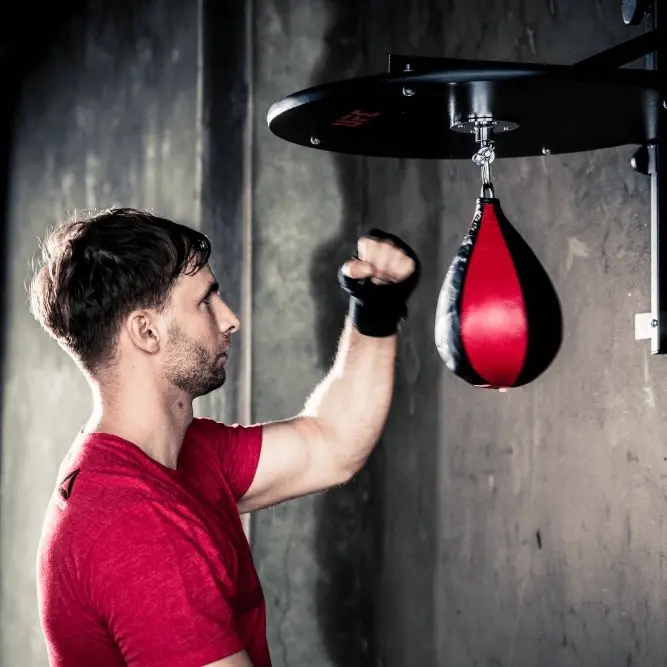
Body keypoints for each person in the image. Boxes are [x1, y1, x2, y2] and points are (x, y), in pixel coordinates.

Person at [30, 207, 420, 667]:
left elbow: (330, 443)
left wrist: (374, 309)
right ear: (147, 331)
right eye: (205, 300)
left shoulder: (175, 454)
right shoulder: (135, 528)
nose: (231, 319)